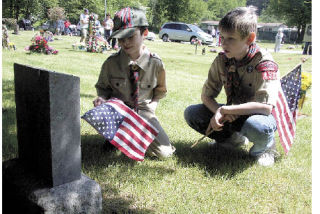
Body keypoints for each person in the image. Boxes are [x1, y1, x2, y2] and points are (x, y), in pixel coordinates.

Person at [184, 6, 280, 167]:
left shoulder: (264, 63)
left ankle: (265, 148)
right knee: (192, 113)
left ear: (249, 39)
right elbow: (206, 95)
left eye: (231, 38)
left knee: (257, 126)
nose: (223, 43)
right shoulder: (222, 60)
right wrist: (218, 112)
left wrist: (225, 110)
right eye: (221, 37)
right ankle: (232, 140)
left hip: (258, 116)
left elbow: (265, 108)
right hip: (232, 110)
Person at [93, 7, 175, 159]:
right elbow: (102, 88)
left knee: (164, 153)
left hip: (143, 111)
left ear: (144, 33)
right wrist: (102, 99)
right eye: (120, 38)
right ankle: (118, 137)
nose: (125, 42)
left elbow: (160, 89)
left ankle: (127, 138)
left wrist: (154, 104)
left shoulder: (155, 63)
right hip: (118, 111)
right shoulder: (111, 64)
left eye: (130, 36)